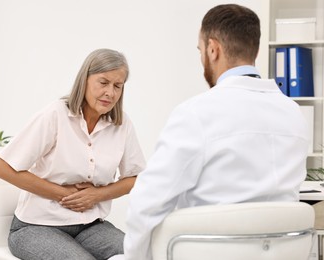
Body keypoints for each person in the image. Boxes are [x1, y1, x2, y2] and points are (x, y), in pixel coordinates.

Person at [123, 4, 309, 260]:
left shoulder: (196, 113)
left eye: (201, 51)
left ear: (213, 49)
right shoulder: (294, 114)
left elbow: (146, 204)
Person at [0, 48, 146, 260]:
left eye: (117, 86)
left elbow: (136, 178)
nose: (110, 93)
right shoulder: (56, 115)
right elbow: (1, 167)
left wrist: (98, 195)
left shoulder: (122, 125)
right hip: (37, 227)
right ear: (85, 80)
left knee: (141, 254)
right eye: (103, 82)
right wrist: (62, 193)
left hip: (90, 227)